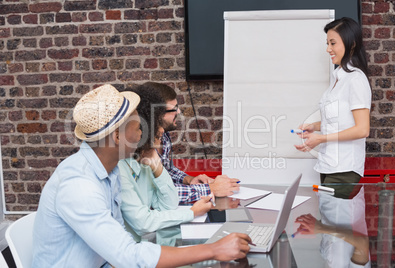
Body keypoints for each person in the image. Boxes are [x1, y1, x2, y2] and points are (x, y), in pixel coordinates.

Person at [32, 84, 251, 267]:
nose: (143, 132)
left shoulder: (110, 170)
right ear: (118, 136)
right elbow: (128, 255)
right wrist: (213, 250)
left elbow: (121, 244)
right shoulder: (79, 187)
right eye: (139, 126)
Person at [118, 87, 212, 241]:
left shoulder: (146, 161)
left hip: (145, 244)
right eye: (157, 128)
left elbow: (168, 205)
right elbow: (143, 222)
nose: (162, 132)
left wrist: (158, 168)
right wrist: (192, 213)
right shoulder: (121, 167)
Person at [294, 17, 371, 199]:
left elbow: (362, 129)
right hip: (329, 166)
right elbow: (341, 119)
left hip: (345, 168)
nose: (328, 49)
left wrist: (321, 139)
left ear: (351, 44)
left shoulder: (356, 80)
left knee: (333, 223)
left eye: (333, 43)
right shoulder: (338, 79)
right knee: (328, 219)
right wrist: (315, 126)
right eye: (327, 43)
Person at [139, 82, 240, 203]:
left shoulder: (164, 135)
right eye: (174, 109)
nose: (179, 111)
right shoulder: (139, 146)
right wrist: (210, 189)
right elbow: (155, 192)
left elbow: (166, 170)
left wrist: (188, 179)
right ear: (157, 114)